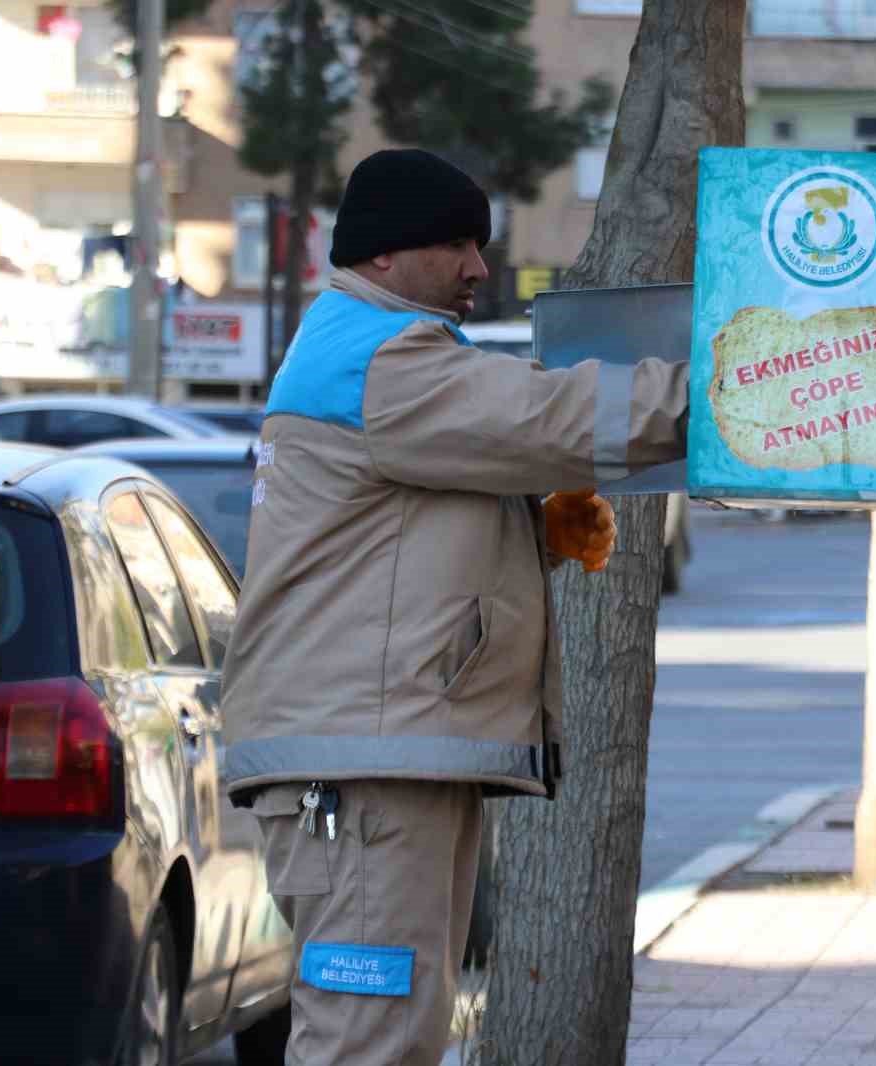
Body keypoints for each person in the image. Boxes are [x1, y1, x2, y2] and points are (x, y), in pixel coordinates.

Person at [220, 148, 689, 1066]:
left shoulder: (370, 351)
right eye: (457, 245)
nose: (479, 269)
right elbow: (559, 416)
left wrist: (528, 527)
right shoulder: (386, 362)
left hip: (374, 754)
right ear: (386, 257)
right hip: (359, 765)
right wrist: (731, 387)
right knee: (369, 1039)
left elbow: (408, 526)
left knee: (395, 1033)